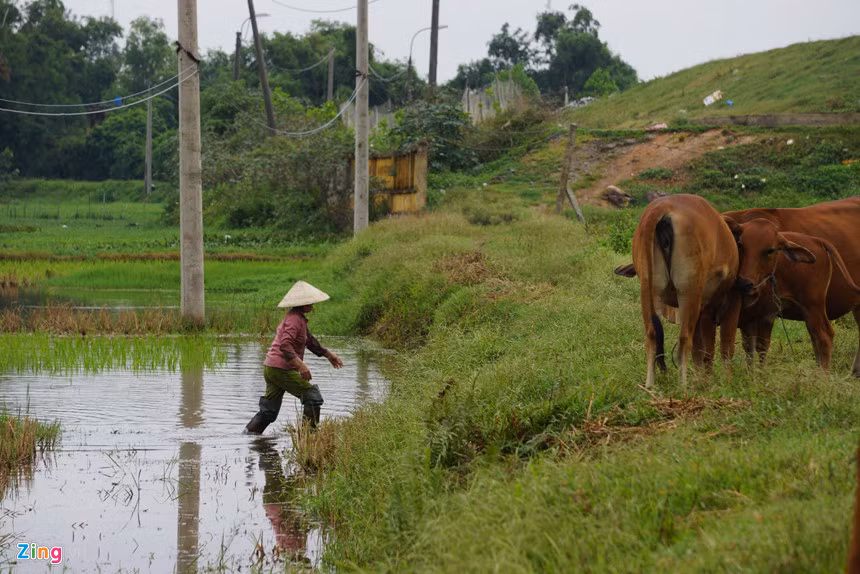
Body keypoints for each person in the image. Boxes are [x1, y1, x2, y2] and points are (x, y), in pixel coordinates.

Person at [245, 280, 343, 434]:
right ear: (302, 304)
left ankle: (248, 438)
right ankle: (308, 437)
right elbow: (285, 345)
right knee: (312, 397)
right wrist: (300, 365)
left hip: (272, 368)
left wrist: (329, 355)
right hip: (281, 369)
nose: (312, 304)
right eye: (309, 302)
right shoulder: (294, 319)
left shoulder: (298, 318)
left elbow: (309, 341)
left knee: (268, 412)